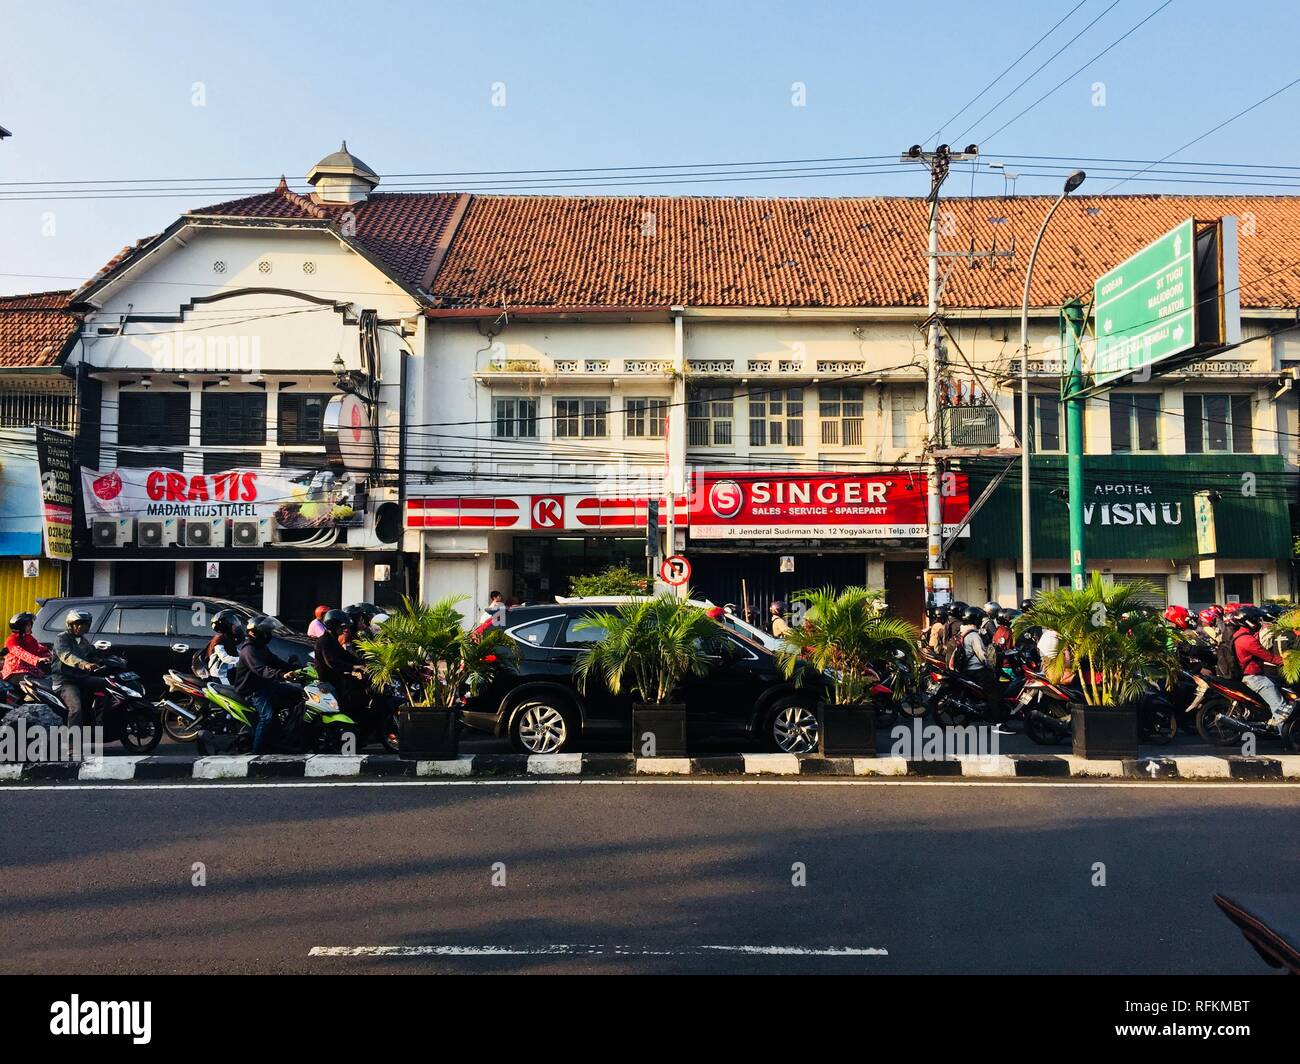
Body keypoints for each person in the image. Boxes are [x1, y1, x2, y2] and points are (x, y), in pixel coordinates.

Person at [232, 616, 299, 754]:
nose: (268, 635)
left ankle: (286, 736)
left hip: (267, 685)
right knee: (267, 718)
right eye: (265, 632)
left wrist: (293, 668)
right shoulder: (249, 650)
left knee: (298, 695)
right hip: (254, 691)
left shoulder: (261, 647)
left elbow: (274, 661)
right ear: (254, 633)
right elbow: (261, 669)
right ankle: (257, 751)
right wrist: (281, 675)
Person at [1232, 607, 1289, 727]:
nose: (1259, 622)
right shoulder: (1248, 640)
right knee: (1280, 706)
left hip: (1250, 676)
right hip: (1254, 678)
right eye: (1257, 620)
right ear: (1249, 621)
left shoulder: (1238, 634)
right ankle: (1285, 737)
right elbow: (1268, 657)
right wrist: (1287, 662)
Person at [51, 609, 107, 728]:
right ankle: (73, 744)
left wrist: (111, 661)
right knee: (76, 708)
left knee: (108, 685)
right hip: (65, 681)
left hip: (81, 678)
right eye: (77, 624)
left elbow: (93, 654)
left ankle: (98, 723)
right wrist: (84, 664)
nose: (80, 627)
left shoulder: (83, 640)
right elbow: (66, 656)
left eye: (83, 625)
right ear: (70, 625)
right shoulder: (61, 638)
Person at [314, 608, 366, 715]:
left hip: (338, 679)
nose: (344, 630)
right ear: (333, 626)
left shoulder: (333, 640)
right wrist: (354, 667)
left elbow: (346, 656)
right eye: (341, 627)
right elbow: (332, 662)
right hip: (328, 684)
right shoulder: (324, 641)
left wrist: (363, 663)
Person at [3, 612, 50, 680]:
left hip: (30, 670)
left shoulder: (28, 638)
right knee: (31, 684)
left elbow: (39, 649)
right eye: (27, 625)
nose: (30, 627)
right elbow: (22, 653)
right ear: (21, 627)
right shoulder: (11, 640)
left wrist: (51, 655)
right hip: (15, 672)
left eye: (30, 624)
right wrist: (37, 659)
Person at [205, 609, 245, 684]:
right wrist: (242, 660)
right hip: (220, 674)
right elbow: (225, 657)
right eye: (233, 622)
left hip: (229, 670)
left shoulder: (229, 638)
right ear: (225, 625)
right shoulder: (218, 640)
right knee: (228, 693)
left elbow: (235, 650)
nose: (236, 625)